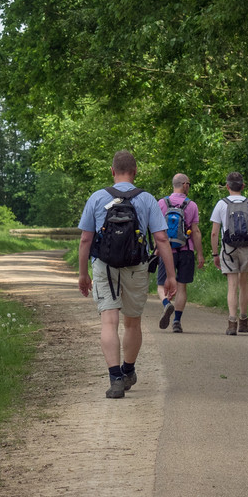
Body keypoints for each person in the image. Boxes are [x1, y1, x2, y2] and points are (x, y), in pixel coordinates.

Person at [79, 150, 177, 399]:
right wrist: (171, 276)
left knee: (108, 322)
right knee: (132, 322)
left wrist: (83, 275)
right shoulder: (146, 199)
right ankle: (129, 370)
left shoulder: (97, 197)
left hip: (104, 266)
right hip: (136, 267)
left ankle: (115, 379)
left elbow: (85, 240)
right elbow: (162, 239)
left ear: (112, 171)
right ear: (135, 172)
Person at [210, 171, 248, 336]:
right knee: (243, 284)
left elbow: (215, 233)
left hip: (228, 248)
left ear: (227, 187)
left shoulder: (221, 204)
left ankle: (232, 323)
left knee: (232, 285)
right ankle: (244, 322)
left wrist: (215, 254)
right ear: (243, 186)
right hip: (247, 248)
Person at [156, 173, 203, 333]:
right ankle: (176, 321)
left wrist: (157, 248)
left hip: (167, 250)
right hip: (186, 250)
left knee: (161, 285)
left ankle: (166, 303)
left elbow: (157, 230)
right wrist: (200, 254)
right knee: (182, 287)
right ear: (184, 185)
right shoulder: (191, 205)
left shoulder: (161, 203)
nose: (189, 186)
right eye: (188, 183)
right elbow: (195, 231)